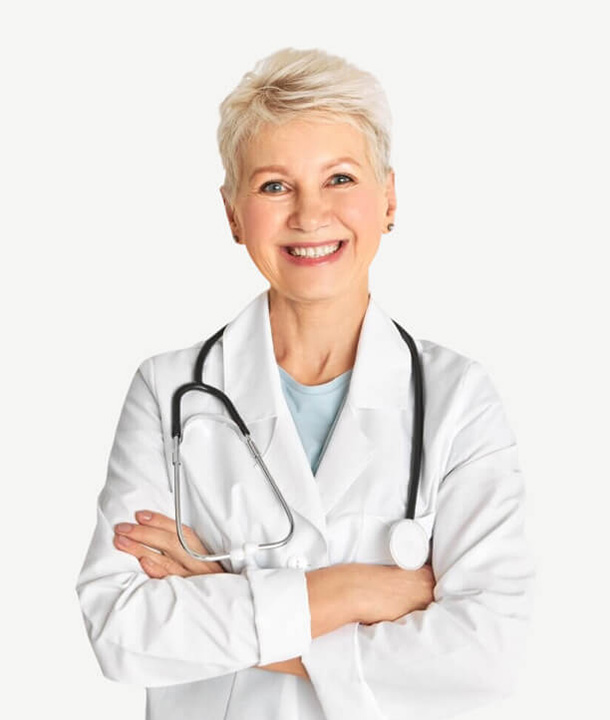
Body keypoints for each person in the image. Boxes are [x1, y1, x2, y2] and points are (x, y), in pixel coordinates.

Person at [75, 47, 535, 720]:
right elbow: (119, 628)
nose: (310, 214)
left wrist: (224, 594)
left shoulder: (458, 398)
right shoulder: (167, 391)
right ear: (233, 214)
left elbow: (487, 655)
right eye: (274, 186)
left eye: (340, 178)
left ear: (389, 199)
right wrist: (353, 591)